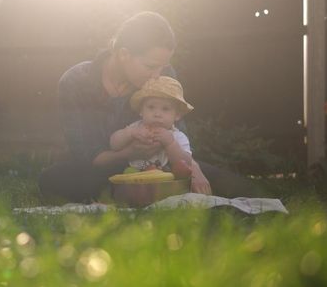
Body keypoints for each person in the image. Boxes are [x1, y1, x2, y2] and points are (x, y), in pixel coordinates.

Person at [38, 11, 264, 203]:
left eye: (163, 67)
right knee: (54, 179)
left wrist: (194, 170)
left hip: (163, 165)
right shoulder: (77, 81)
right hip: (104, 169)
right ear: (124, 54)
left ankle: (158, 192)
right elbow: (88, 156)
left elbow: (178, 132)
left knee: (224, 183)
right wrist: (130, 152)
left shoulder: (162, 75)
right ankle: (150, 195)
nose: (158, 75)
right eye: (150, 66)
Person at [110, 76, 194, 175]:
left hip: (165, 181)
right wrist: (129, 133)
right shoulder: (136, 128)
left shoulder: (177, 136)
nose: (157, 114)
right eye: (151, 107)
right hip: (134, 177)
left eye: (165, 109)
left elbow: (187, 162)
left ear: (177, 115)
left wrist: (170, 144)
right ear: (141, 110)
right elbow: (114, 145)